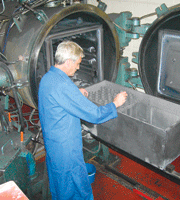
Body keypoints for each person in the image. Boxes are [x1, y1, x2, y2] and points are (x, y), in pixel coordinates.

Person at [38, 40, 127, 200]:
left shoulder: (48, 78)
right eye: (77, 63)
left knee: (60, 181)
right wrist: (115, 104)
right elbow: (95, 114)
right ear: (68, 62)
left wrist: (76, 94)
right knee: (75, 184)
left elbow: (60, 99)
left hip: (53, 142)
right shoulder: (64, 86)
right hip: (66, 146)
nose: (78, 67)